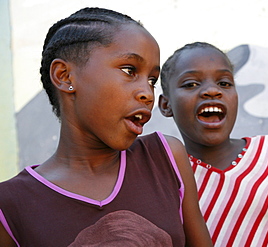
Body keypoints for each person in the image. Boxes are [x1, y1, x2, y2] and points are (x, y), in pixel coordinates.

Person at [0, 8, 212, 247]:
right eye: (129, 70)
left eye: (151, 80)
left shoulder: (165, 158)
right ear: (65, 76)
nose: (147, 93)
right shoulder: (10, 205)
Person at [158, 41, 268, 247]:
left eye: (224, 83)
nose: (211, 91)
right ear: (166, 105)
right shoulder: (165, 176)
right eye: (191, 84)